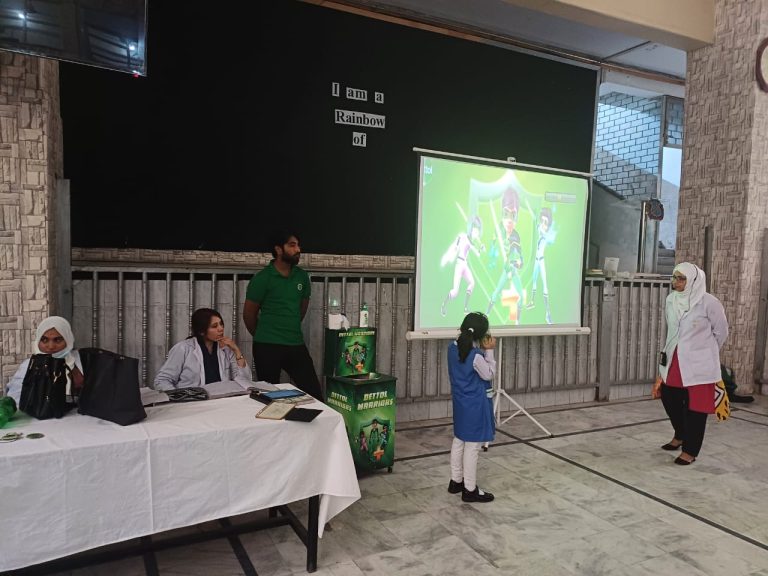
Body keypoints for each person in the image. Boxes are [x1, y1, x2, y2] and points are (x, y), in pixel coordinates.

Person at [653, 263, 728, 465]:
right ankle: (680, 434)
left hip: (700, 363)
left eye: (681, 278)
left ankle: (690, 450)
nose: (675, 282)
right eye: (674, 277)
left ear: (694, 280)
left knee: (697, 407)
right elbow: (672, 330)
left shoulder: (709, 303)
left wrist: (705, 351)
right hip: (675, 358)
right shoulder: (671, 300)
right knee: (669, 397)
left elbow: (721, 332)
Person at [243, 231, 322, 399]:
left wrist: (289, 327)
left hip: (295, 343)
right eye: (292, 245)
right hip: (267, 346)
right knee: (270, 397)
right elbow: (249, 315)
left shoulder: (302, 276)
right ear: (279, 249)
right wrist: (264, 334)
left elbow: (302, 309)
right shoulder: (262, 278)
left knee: (314, 395)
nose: (298, 249)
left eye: (298, 245)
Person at [447, 312, 496, 502]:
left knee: (459, 439)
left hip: (460, 402)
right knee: (473, 445)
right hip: (475, 404)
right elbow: (489, 374)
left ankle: (456, 480)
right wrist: (489, 351)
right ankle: (469, 489)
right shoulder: (475, 356)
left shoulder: (452, 348)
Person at [153, 308, 250, 391]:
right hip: (191, 402)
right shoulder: (183, 348)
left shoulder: (226, 349)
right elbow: (161, 381)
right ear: (201, 331)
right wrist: (179, 398)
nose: (221, 329)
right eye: (214, 326)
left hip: (220, 401)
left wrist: (236, 350)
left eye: (221, 324)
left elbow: (244, 381)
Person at [5, 316, 84, 405]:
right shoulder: (29, 366)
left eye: (58, 340)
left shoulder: (80, 361)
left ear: (68, 340)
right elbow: (16, 401)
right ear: (38, 341)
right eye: (44, 340)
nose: (51, 346)